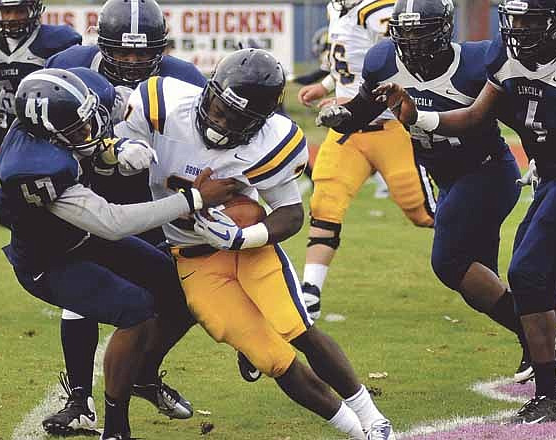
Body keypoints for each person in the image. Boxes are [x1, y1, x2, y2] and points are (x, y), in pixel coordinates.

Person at [317, 0, 556, 389]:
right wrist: (343, 115)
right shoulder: (383, 60)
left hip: (487, 171)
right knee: (497, 288)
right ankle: (550, 345)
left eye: (422, 31)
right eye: (406, 31)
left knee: (451, 263)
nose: (413, 42)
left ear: (445, 29)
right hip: (447, 175)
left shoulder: (478, 61)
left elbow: (517, 109)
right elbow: (366, 107)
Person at [114, 48, 395, 440]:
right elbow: (114, 141)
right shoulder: (160, 103)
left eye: (235, 118)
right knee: (272, 358)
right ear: (208, 90)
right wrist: (123, 149)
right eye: (217, 107)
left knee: (296, 327)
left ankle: (373, 417)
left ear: (261, 121)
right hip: (193, 259)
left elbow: (291, 214)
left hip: (247, 248)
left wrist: (244, 236)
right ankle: (355, 430)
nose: (218, 121)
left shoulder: (272, 141)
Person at [0, 68, 235, 440]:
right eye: (77, 131)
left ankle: (143, 376)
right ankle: (116, 426)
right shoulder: (34, 168)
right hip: (50, 260)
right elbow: (112, 223)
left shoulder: (77, 101)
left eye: (87, 123)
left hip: (82, 235)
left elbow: (118, 108)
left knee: (181, 291)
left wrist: (116, 147)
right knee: (135, 309)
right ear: (50, 136)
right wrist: (193, 199)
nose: (88, 131)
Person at [41, 0, 205, 431]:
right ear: (102, 44)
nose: (132, 62)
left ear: (161, 48)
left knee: (182, 297)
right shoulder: (72, 67)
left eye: (142, 52)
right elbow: (40, 123)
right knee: (84, 294)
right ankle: (80, 399)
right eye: (123, 51)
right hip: (90, 193)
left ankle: (145, 375)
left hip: (154, 199)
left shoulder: (183, 78)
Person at [297, 0, 436, 321]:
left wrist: (356, 100)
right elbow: (348, 64)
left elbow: (403, 59)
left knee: (423, 212)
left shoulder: (377, 9)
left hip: (389, 127)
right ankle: (310, 293)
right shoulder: (337, 9)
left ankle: (481, 264)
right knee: (324, 204)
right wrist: (326, 85)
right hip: (347, 131)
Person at [0, 0, 81, 147]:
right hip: (7, 120)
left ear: (33, 10)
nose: (12, 18)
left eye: (20, 11)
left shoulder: (56, 41)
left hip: (49, 122)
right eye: (7, 11)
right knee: (10, 166)